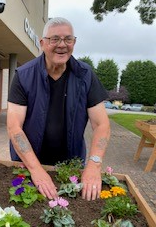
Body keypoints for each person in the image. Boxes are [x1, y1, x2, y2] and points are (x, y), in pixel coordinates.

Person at [7, 17, 110, 202]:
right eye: (54, 39)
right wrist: (36, 170)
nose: (62, 45)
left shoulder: (85, 76)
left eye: (68, 39)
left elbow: (101, 124)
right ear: (42, 43)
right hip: (28, 163)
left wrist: (94, 165)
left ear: (74, 42)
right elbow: (14, 127)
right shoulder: (23, 76)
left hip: (71, 164)